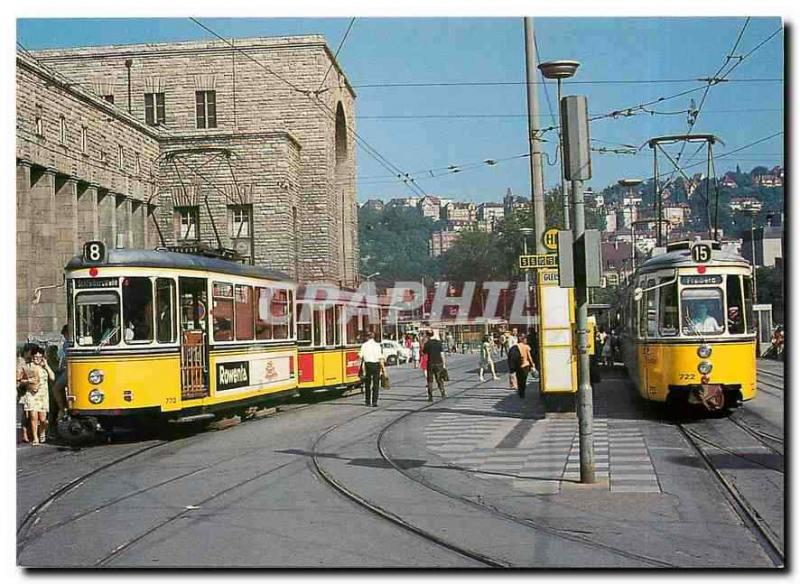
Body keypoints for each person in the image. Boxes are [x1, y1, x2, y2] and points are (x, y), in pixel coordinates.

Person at [20, 346, 54, 445]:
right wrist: (28, 381)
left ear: (43, 357)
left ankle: (42, 432)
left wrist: (46, 365)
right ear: (32, 357)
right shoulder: (27, 367)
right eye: (35, 357)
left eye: (39, 357)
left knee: (43, 419)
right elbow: (19, 380)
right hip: (31, 394)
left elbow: (52, 378)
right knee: (33, 416)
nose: (37, 359)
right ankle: (35, 438)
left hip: (43, 395)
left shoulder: (44, 367)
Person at [358, 331, 384, 407]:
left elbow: (360, 355)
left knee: (367, 384)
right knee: (376, 383)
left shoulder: (364, 345)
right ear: (373, 337)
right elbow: (380, 357)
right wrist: (383, 369)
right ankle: (375, 401)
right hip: (376, 364)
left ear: (367, 337)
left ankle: (367, 401)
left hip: (367, 365)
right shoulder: (377, 345)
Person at [16, 343, 35, 443]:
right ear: (28, 352)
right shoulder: (21, 362)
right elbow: (18, 378)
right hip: (22, 390)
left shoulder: (27, 362)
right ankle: (24, 433)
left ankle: (27, 432)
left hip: (27, 389)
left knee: (28, 412)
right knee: (25, 413)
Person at [50, 324, 69, 420]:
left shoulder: (67, 344)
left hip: (69, 370)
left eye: (65, 335)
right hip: (69, 369)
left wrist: (61, 368)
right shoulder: (67, 343)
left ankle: (63, 409)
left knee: (56, 388)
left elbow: (65, 359)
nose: (65, 337)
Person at [422, 330, 447, 402]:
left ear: (428, 336)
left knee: (430, 380)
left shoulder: (427, 343)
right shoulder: (439, 343)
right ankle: (443, 393)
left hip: (430, 363)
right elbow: (442, 354)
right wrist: (444, 364)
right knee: (439, 379)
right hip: (439, 363)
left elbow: (424, 353)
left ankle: (430, 397)